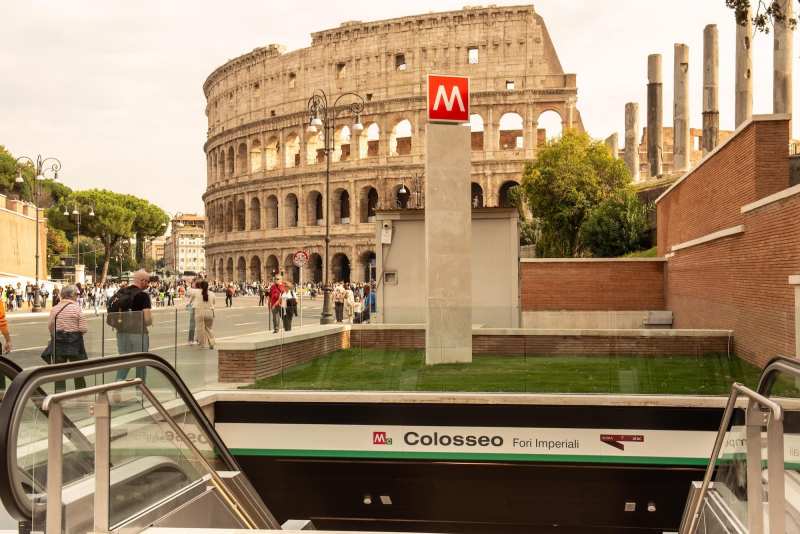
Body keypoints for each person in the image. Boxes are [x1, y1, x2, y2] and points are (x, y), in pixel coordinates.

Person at [44, 285, 88, 393]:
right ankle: (80, 393)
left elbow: (50, 325)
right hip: (74, 343)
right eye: (77, 294)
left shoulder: (55, 309)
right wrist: (75, 334)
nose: (77, 296)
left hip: (58, 342)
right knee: (77, 371)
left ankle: (59, 396)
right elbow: (83, 328)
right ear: (72, 296)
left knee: (59, 372)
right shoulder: (77, 308)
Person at [111, 270, 153, 382]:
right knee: (141, 363)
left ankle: (117, 387)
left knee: (125, 361)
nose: (148, 284)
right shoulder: (143, 296)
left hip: (121, 333)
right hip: (138, 333)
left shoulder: (122, 292)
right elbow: (147, 319)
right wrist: (150, 320)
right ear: (143, 281)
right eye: (148, 281)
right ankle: (140, 392)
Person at [187, 280, 215, 349]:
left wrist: (189, 284)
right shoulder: (211, 294)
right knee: (209, 328)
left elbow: (189, 290)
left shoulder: (197, 292)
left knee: (200, 329)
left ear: (200, 286)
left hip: (199, 312)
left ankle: (202, 345)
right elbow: (214, 302)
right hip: (209, 311)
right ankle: (211, 343)